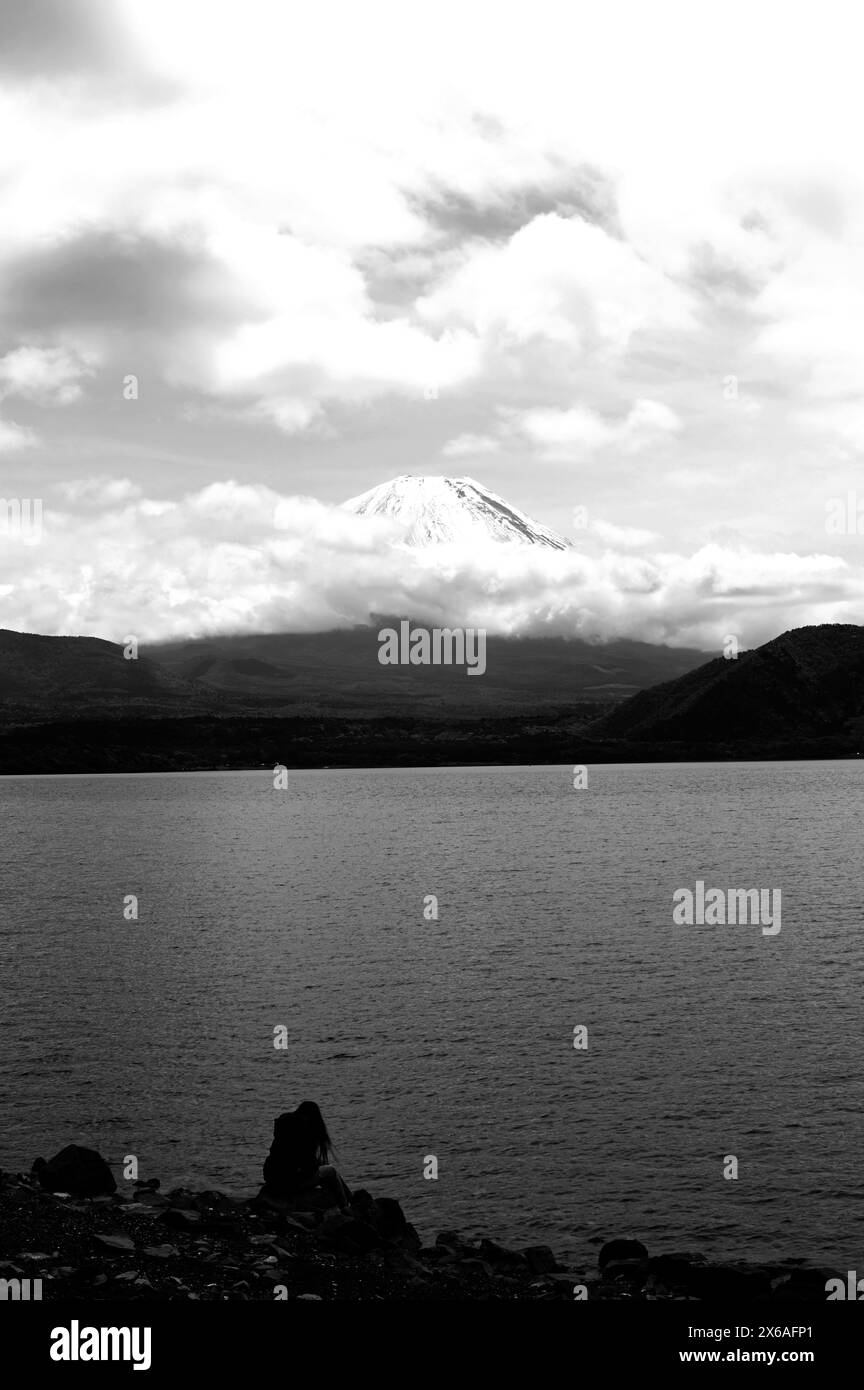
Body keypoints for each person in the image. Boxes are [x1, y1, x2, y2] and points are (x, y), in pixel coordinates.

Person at [262, 1101, 352, 1209]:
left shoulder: (285, 1128)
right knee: (330, 1171)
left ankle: (349, 1200)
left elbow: (298, 1160)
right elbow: (307, 1167)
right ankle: (346, 1206)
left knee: (326, 1168)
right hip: (289, 1183)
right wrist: (315, 1166)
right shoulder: (303, 1132)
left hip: (274, 1178)